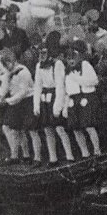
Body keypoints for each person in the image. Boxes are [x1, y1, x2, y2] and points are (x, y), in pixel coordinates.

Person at [33, 34, 74, 164]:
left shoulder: (57, 64)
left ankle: (69, 156)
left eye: (45, 52)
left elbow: (60, 86)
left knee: (59, 128)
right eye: (40, 53)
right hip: (44, 98)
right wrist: (36, 105)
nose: (42, 55)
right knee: (47, 128)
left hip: (55, 96)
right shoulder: (39, 65)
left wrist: (57, 106)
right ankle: (53, 158)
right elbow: (38, 85)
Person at [0, 48, 36, 164]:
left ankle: (25, 155)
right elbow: (4, 87)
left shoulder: (23, 71)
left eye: (7, 63)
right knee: (9, 128)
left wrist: (7, 101)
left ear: (13, 61)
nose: (5, 66)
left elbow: (23, 92)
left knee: (19, 129)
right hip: (15, 102)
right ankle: (16, 155)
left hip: (26, 101)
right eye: (4, 64)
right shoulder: (7, 73)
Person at [63, 40, 101, 158]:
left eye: (73, 57)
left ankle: (97, 151)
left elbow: (94, 81)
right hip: (73, 99)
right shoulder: (68, 71)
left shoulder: (85, 65)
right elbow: (67, 90)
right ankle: (85, 153)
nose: (71, 60)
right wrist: (65, 107)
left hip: (86, 96)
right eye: (68, 58)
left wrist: (78, 79)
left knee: (88, 125)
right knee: (76, 128)